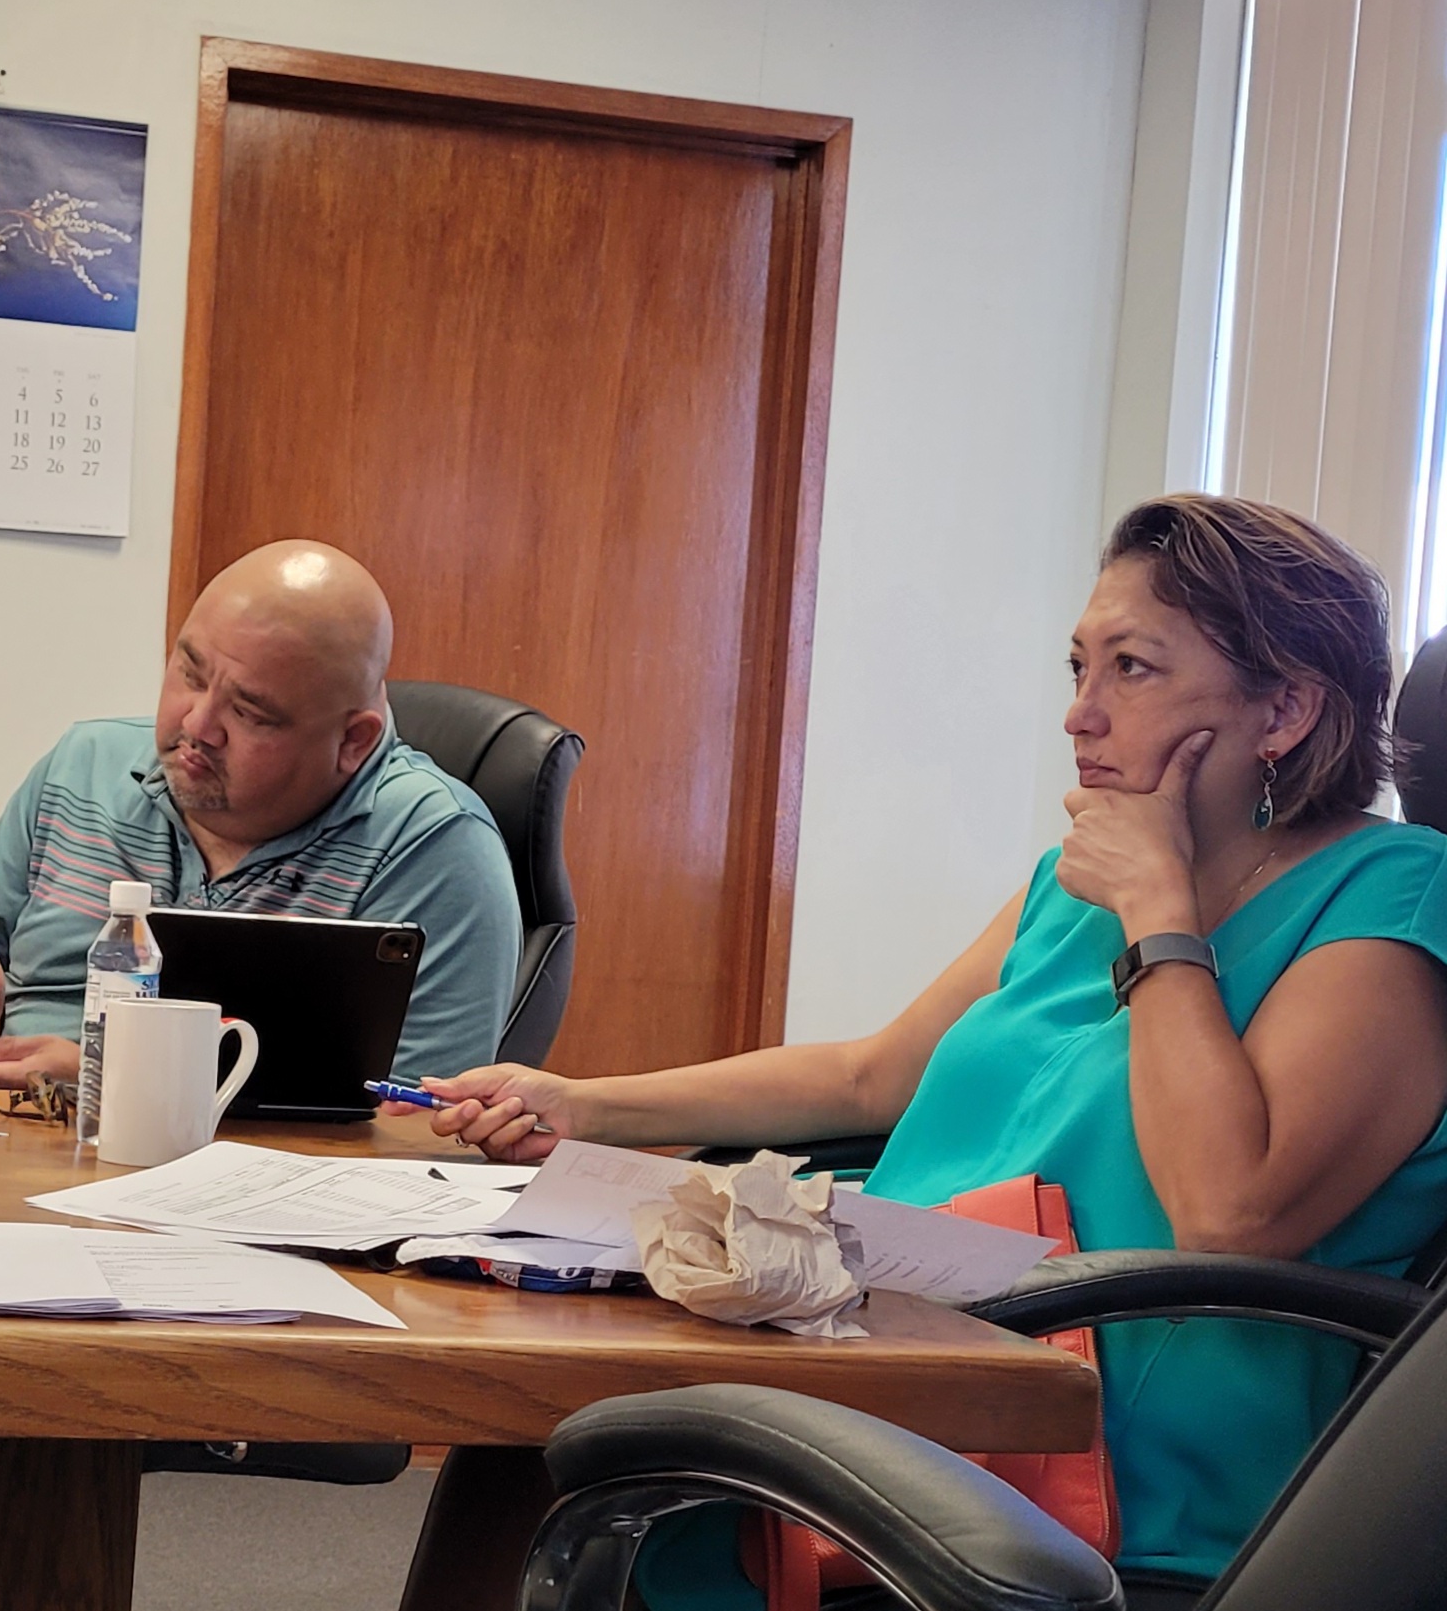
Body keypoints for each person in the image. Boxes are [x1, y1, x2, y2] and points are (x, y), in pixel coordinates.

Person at [398, 495, 1447, 1598]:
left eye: (1131, 670)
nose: (1079, 716)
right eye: (1077, 667)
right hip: (919, 1359)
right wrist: (582, 1104)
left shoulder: (1392, 895)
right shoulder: (1072, 882)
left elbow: (1236, 1213)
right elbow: (869, 1073)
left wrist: (1159, 913)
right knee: (524, 1434)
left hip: (1105, 1458)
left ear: (1282, 710)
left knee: (590, 1484)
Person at [0, 539, 521, 1088]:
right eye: (190, 672)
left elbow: (414, 1130)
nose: (197, 726)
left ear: (353, 741)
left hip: (226, 1214)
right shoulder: (83, 765)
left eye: (250, 714)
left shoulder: (435, 849)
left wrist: (101, 1086)